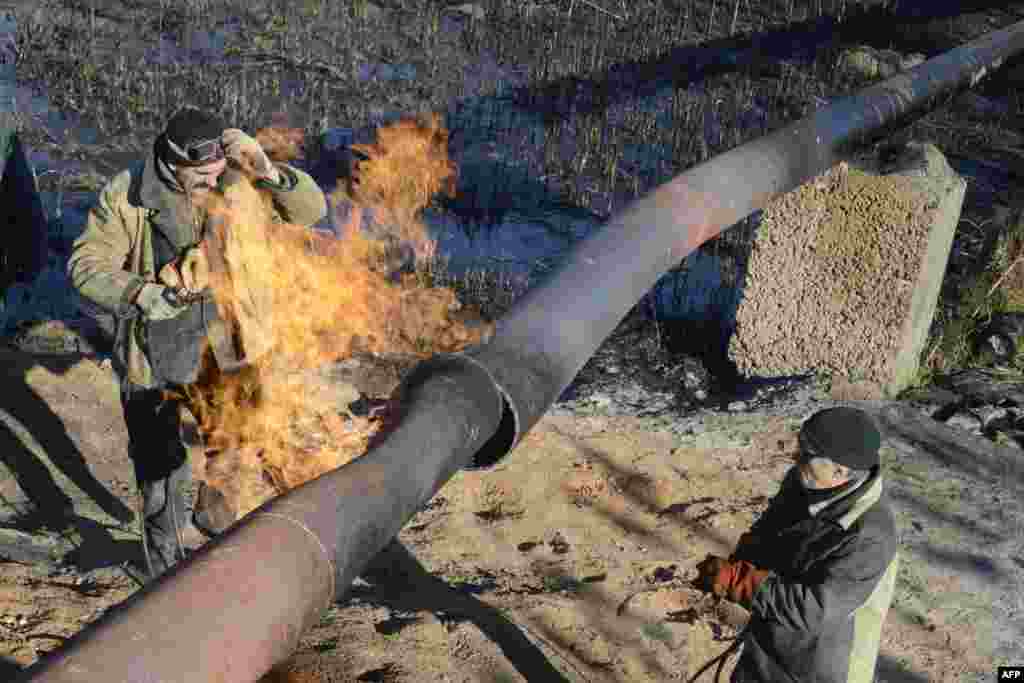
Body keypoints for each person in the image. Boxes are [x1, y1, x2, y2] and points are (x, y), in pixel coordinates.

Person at [67, 106, 327, 579]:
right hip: (156, 348)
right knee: (162, 470)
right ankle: (163, 573)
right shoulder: (127, 195)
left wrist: (267, 169)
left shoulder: (237, 178)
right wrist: (142, 294)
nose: (213, 182)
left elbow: (310, 211)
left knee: (234, 440)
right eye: (201, 176)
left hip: (228, 339)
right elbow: (85, 266)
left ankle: (215, 525)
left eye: (217, 172)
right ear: (173, 164)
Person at [695, 406, 899, 683]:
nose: (796, 457)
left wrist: (741, 582)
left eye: (807, 454)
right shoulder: (803, 480)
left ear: (840, 471)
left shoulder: (869, 536)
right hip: (770, 637)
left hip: (817, 663)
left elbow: (815, 610)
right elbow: (769, 531)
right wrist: (740, 561)